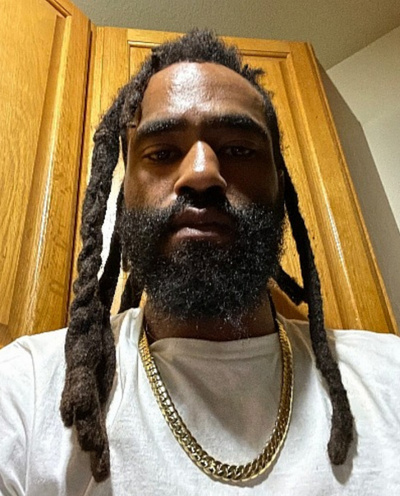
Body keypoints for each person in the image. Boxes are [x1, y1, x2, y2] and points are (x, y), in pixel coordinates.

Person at [0, 30, 399, 495]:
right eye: (163, 153)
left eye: (238, 149)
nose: (202, 173)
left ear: (280, 184)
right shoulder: (26, 389)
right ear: (125, 195)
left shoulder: (389, 375)